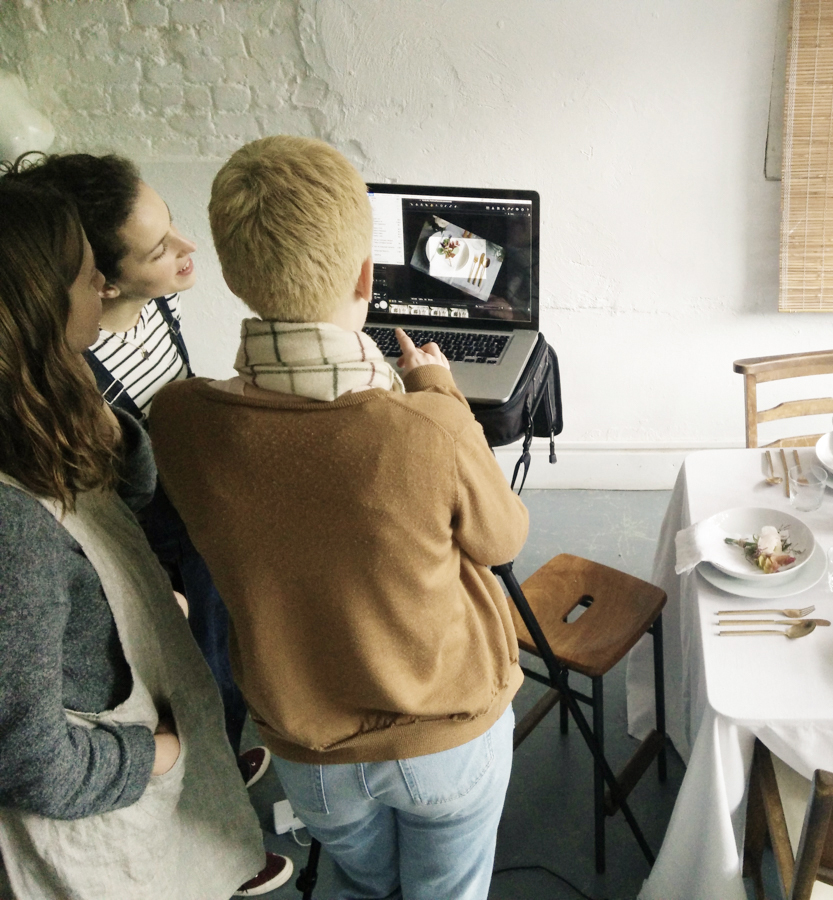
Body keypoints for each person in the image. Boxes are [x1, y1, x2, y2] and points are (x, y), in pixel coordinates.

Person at [150, 135, 530, 900]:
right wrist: (438, 393)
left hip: (308, 753)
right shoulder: (426, 428)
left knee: (362, 885)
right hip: (443, 740)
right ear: (367, 275)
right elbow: (503, 538)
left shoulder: (180, 420)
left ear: (231, 272)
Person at [0, 181, 275, 897]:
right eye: (87, 273)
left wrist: (116, 433)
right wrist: (164, 753)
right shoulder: (12, 534)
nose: (104, 283)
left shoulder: (41, 409)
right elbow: (37, 766)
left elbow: (118, 513)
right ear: (35, 313)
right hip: (110, 798)